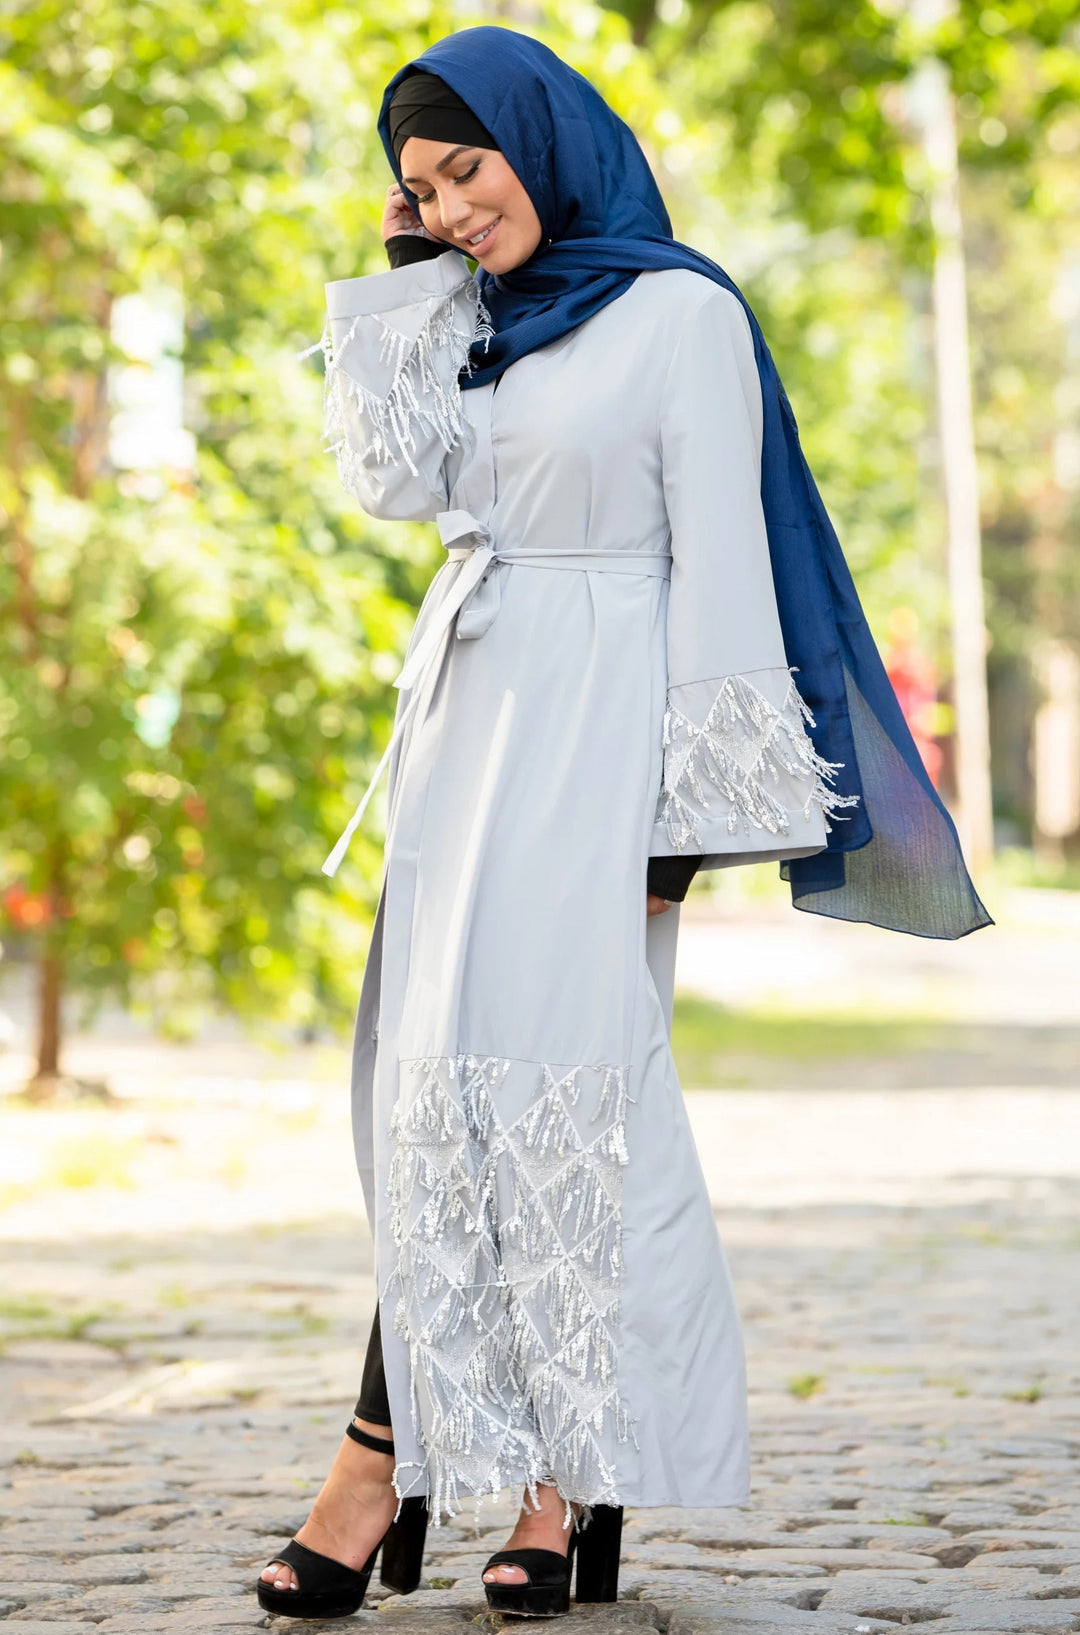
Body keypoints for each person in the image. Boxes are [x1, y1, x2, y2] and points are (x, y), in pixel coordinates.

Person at [257, 25, 991, 1624]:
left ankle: (528, 1476)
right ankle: (409, 1458)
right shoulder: (479, 317)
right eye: (416, 186)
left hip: (604, 738)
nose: (447, 205)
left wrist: (687, 825)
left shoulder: (678, 312)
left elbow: (724, 562)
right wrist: (403, 287)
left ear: (546, 137)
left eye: (465, 169)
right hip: (470, 733)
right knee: (431, 1105)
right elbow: (390, 486)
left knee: (567, 1109)